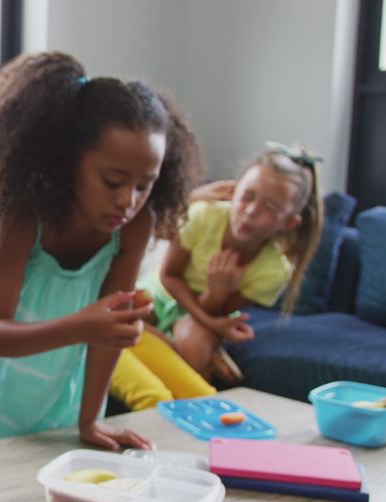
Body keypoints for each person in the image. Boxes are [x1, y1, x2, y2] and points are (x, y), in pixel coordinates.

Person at [0, 51, 203, 502]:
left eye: (144, 183)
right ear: (68, 161)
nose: (128, 198)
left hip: (64, 326)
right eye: (112, 179)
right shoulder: (24, 215)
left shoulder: (136, 224)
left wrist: (89, 420)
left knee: (49, 417)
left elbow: (111, 329)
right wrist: (88, 322)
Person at [111, 142, 324, 408]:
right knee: (128, 310)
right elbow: (169, 275)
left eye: (269, 207)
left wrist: (215, 295)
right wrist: (214, 323)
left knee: (194, 342)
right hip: (163, 292)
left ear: (289, 222)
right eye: (247, 196)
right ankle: (168, 344)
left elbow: (218, 312)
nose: (251, 211)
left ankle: (190, 374)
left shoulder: (274, 270)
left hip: (210, 314)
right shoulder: (204, 216)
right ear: (233, 192)